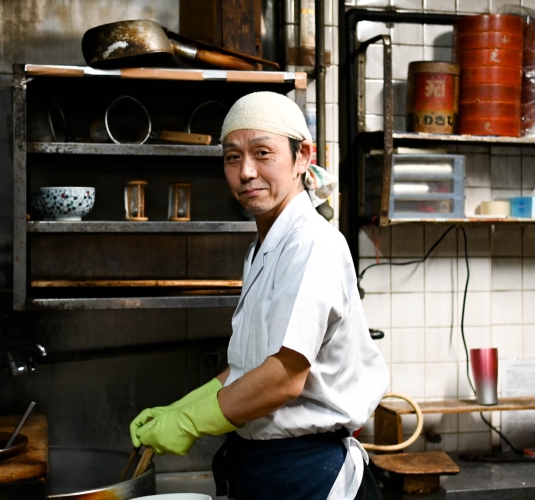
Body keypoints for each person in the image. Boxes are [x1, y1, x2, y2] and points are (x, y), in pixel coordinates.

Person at [129, 91, 389, 499]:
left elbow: (284, 376)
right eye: (233, 157)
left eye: (262, 153)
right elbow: (248, 368)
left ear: (302, 156)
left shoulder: (311, 243)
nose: (246, 172)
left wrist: (190, 423)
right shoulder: (264, 249)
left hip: (308, 474)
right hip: (267, 468)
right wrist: (180, 407)